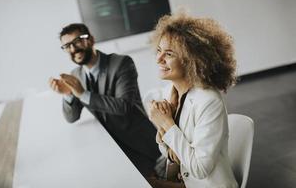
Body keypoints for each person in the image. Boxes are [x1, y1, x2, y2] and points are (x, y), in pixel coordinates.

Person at [49, 23, 160, 178]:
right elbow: (71, 117)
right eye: (67, 46)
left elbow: (124, 106)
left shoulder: (122, 63)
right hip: (112, 149)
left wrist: (81, 93)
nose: (73, 49)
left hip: (141, 145)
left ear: (91, 40)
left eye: (77, 41)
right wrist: (67, 94)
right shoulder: (75, 74)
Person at [144, 13, 239, 188]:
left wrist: (167, 123)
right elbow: (168, 153)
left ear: (191, 61)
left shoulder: (209, 101)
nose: (158, 59)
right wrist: (163, 127)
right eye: (159, 50)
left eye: (169, 53)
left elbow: (199, 168)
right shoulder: (169, 93)